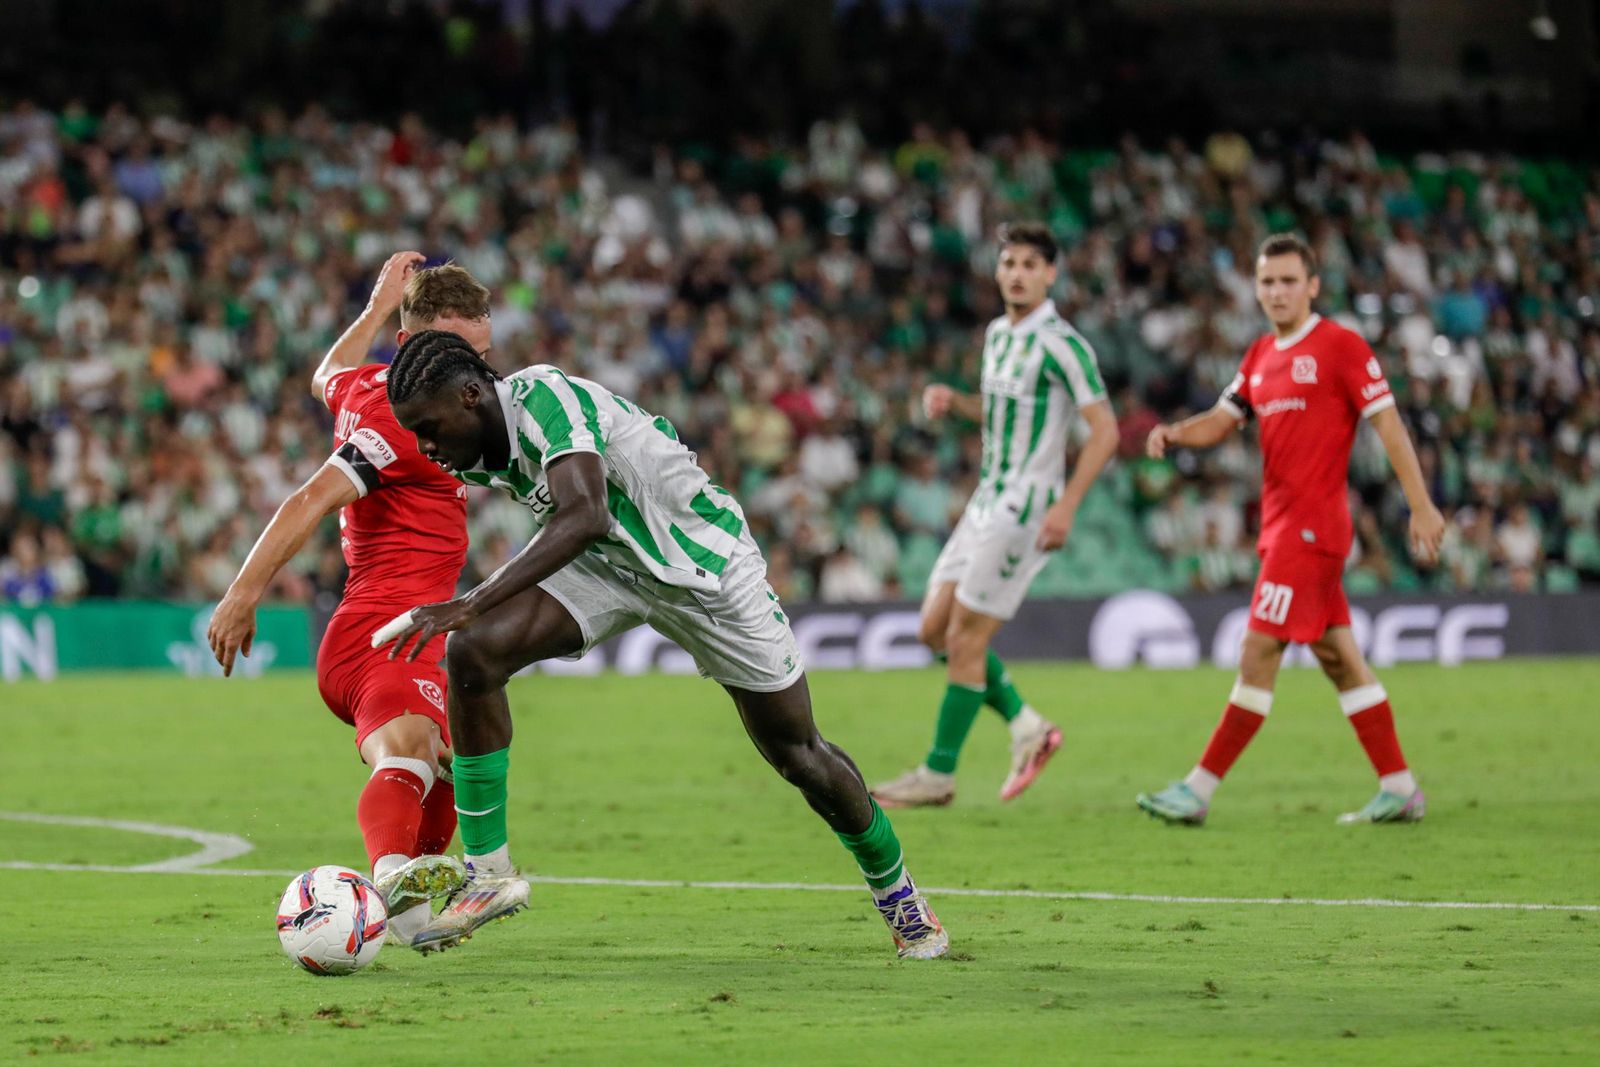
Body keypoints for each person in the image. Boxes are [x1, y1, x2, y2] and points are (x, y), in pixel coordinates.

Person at [371, 329, 949, 960]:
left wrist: (469, 600)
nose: (425, 446)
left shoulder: (545, 399)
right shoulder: (468, 446)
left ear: (471, 393)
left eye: (429, 426)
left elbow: (584, 510)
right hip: (606, 566)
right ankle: (488, 872)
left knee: (799, 754)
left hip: (705, 570)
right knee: (474, 653)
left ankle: (899, 896)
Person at [207, 254, 498, 943]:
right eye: (457, 354)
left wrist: (374, 307)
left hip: (415, 628)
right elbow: (310, 497)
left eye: (482, 355)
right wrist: (242, 594)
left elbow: (323, 376)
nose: (476, 376)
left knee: (464, 760)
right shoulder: (401, 424)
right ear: (412, 348)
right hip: (384, 629)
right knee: (413, 751)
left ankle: (416, 917)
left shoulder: (369, 384)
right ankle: (391, 878)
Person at [1136, 233, 1445, 826]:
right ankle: (1401, 787)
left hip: (1311, 530)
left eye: (1287, 281)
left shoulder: (1340, 347)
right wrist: (1175, 431)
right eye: (1267, 282)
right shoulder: (1257, 357)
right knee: (1340, 659)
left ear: (1312, 286)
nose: (1276, 291)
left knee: (1258, 651)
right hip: (1281, 529)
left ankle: (1197, 790)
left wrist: (1421, 504)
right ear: (1256, 288)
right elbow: (1222, 422)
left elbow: (1389, 426)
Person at [870, 222, 1118, 808]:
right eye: (1009, 262)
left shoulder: (1063, 344)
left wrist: (1067, 504)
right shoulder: (998, 335)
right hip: (985, 499)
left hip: (1025, 508)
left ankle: (938, 774)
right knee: (933, 629)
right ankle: (1029, 728)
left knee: (964, 637)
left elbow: (1105, 431)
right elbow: (1004, 407)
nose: (1018, 273)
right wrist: (957, 403)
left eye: (1031, 264)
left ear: (1050, 274)